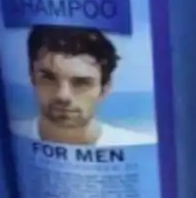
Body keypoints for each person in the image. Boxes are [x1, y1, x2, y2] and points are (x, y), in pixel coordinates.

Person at [12, 25, 144, 146]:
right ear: (32, 78)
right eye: (49, 78)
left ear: (104, 89)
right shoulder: (11, 137)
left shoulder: (136, 147)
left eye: (81, 83)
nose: (63, 95)